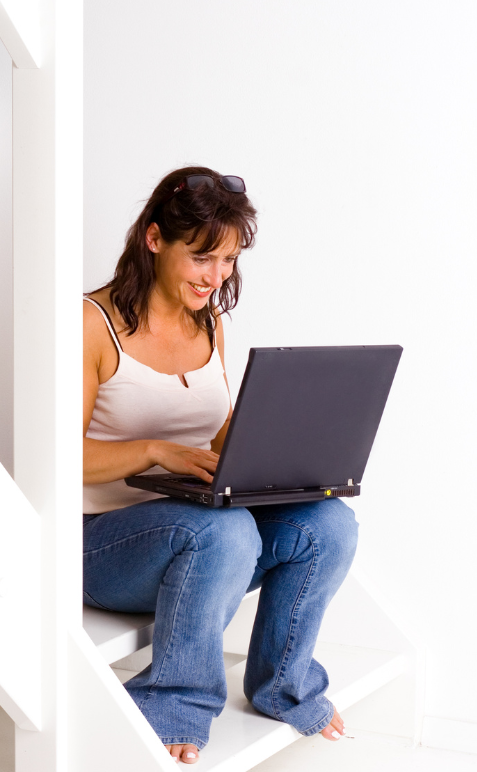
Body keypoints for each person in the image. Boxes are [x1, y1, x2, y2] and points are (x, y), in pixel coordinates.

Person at [83, 166, 358, 764]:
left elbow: (217, 433)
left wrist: (280, 445)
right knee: (225, 530)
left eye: (229, 260)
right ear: (154, 240)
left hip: (198, 532)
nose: (216, 277)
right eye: (202, 258)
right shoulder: (91, 324)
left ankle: (283, 686)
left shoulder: (208, 322)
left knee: (329, 525)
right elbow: (58, 456)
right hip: (99, 548)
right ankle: (172, 702)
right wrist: (155, 451)